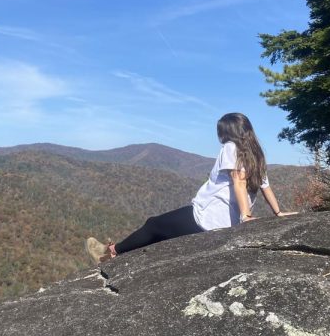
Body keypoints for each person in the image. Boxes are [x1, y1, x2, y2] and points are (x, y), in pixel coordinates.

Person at [85, 112, 297, 264]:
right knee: (163, 233)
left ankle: (110, 253)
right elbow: (265, 187)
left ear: (227, 132)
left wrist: (246, 216)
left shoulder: (231, 148)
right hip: (222, 221)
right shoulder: (256, 155)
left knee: (154, 225)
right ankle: (117, 254)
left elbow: (238, 181)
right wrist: (278, 212)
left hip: (207, 217)